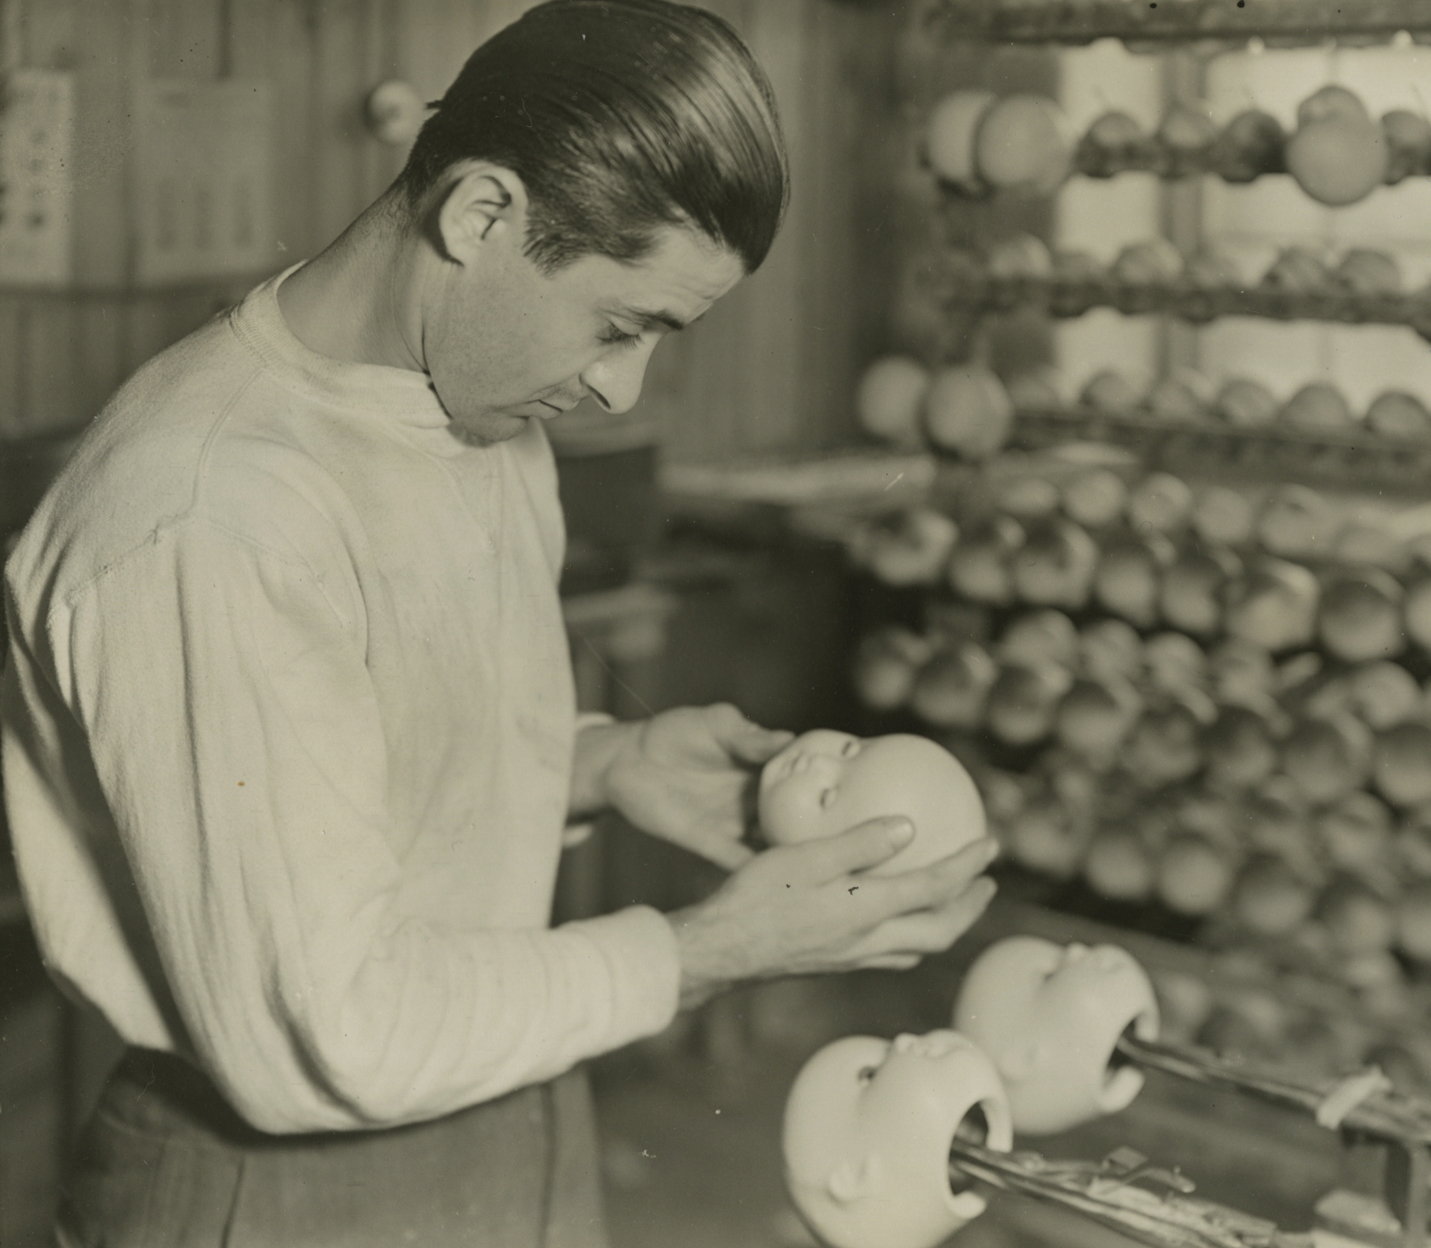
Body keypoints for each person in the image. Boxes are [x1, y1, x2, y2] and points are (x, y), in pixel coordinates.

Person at [0, 2, 997, 1243]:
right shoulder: (206, 522)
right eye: (621, 323)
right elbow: (334, 1028)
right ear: (480, 215)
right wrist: (702, 952)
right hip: (277, 1178)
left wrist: (606, 762)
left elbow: (348, 774)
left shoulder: (476, 406)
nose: (620, 385)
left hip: (514, 1095)